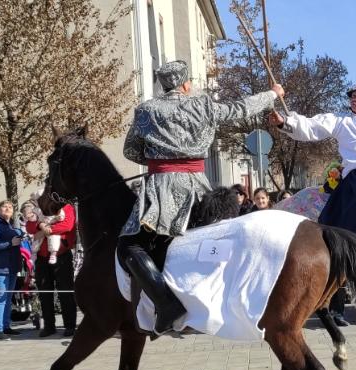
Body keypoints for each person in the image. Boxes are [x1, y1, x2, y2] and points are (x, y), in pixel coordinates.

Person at [118, 60, 284, 335]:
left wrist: (159, 158)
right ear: (185, 84)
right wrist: (272, 94)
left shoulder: (146, 110)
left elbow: (131, 151)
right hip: (198, 186)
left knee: (129, 246)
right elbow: (240, 109)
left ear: (164, 85)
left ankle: (166, 303)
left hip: (161, 188)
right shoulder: (203, 104)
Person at [269, 79, 356, 326]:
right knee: (340, 235)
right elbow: (313, 126)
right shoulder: (342, 122)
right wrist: (287, 122)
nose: (355, 100)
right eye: (353, 97)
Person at [26, 202, 77, 337]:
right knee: (44, 293)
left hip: (61, 256)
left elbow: (67, 225)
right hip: (42, 258)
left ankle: (70, 325)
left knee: (65, 292)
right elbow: (30, 227)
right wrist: (40, 225)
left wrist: (45, 230)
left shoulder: (67, 207)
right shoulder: (38, 207)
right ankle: (49, 326)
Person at [0, 200, 24, 341]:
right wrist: (10, 243)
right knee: (0, 298)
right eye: (4, 206)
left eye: (10, 207)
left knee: (7, 298)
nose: (7, 209)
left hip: (11, 268)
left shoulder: (8, 224)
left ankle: (6, 327)